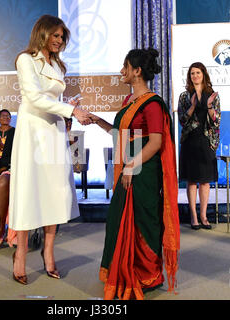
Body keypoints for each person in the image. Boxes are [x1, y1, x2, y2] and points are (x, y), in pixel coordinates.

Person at [90, 48, 180, 300]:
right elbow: (121, 136)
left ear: (137, 71)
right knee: (119, 220)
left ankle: (147, 274)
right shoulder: (128, 102)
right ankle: (123, 268)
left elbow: (155, 142)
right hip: (128, 169)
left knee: (144, 220)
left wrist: (131, 165)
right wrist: (98, 121)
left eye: (125, 67)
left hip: (142, 171)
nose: (122, 71)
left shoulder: (152, 103)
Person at [9, 15, 92, 285]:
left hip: (54, 131)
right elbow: (33, 98)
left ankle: (49, 252)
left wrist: (68, 104)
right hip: (32, 131)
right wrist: (71, 110)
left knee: (56, 190)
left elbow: (51, 99)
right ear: (42, 33)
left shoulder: (57, 64)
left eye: (61, 37)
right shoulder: (25, 59)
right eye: (55, 35)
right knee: (28, 190)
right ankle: (20, 253)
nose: (59, 41)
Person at [177, 62, 221, 230]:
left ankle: (203, 215)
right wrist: (193, 106)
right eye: (192, 73)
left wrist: (208, 105)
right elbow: (182, 120)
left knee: (205, 181)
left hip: (207, 141)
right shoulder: (184, 96)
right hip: (190, 141)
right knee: (192, 181)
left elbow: (217, 120)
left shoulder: (213, 95)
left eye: (198, 72)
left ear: (204, 74)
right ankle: (194, 216)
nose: (195, 75)